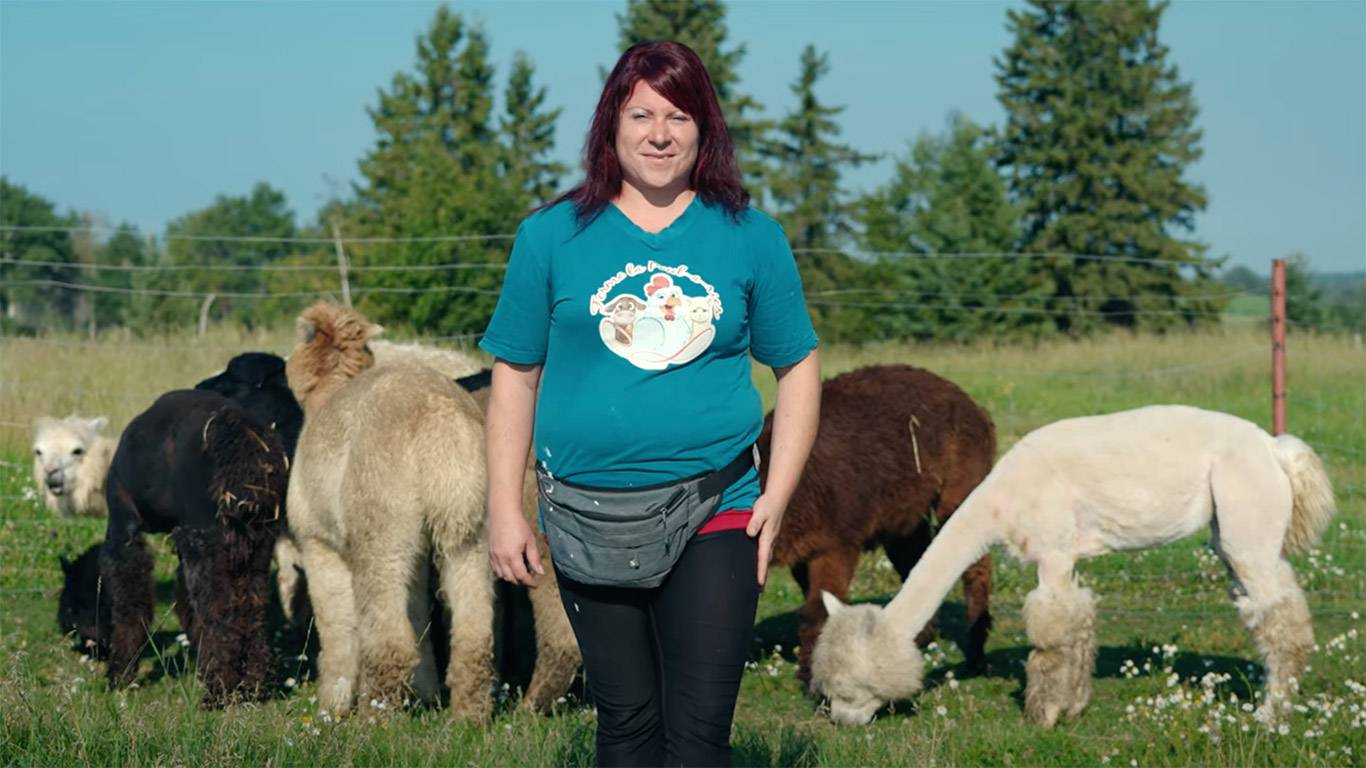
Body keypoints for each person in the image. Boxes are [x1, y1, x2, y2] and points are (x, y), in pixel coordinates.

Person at [481, 40, 821, 768]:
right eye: (641, 115)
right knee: (627, 727)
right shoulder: (548, 237)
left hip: (716, 504)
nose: (659, 134)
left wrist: (779, 494)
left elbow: (798, 367)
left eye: (679, 116)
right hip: (581, 513)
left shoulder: (751, 237)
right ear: (612, 124)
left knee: (697, 738)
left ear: (706, 130)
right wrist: (504, 507)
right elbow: (514, 374)